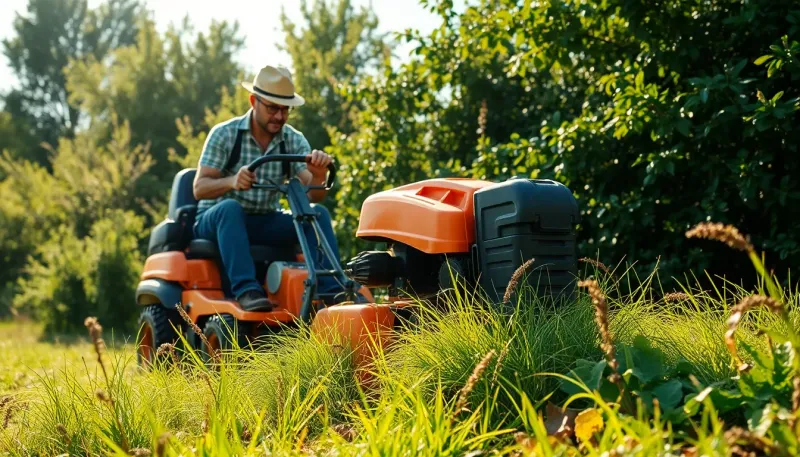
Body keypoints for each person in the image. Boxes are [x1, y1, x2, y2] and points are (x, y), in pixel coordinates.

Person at [192, 65, 341, 311]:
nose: (279, 117)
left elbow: (314, 195)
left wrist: (318, 173)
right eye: (272, 108)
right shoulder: (224, 134)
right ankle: (247, 291)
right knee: (230, 208)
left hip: (263, 220)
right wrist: (232, 182)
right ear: (253, 101)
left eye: (285, 109)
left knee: (317, 213)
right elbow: (199, 188)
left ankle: (331, 292)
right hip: (216, 221)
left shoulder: (292, 139)